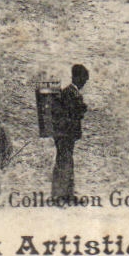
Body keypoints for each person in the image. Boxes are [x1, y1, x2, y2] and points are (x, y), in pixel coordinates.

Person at [50, 64, 89, 205]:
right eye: (84, 79)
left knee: (66, 162)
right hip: (65, 135)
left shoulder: (69, 92)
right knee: (64, 162)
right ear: (77, 78)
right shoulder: (70, 93)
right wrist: (82, 107)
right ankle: (60, 196)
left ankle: (66, 195)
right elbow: (75, 111)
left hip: (65, 135)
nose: (85, 82)